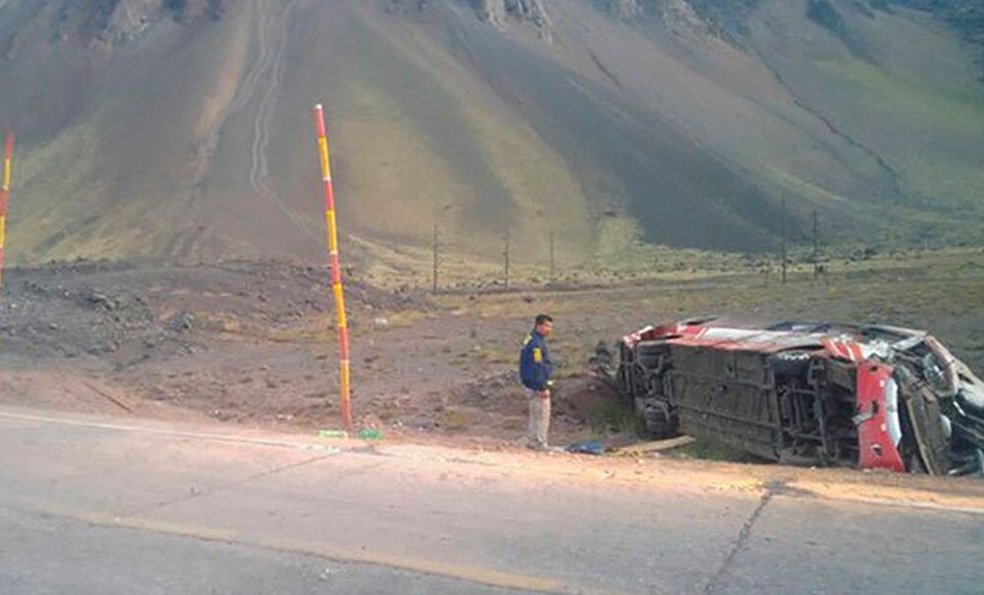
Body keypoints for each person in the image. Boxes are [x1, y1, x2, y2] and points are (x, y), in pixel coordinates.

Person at [519, 314, 554, 450]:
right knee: (541, 414)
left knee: (535, 414)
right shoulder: (536, 345)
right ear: (539, 325)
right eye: (547, 326)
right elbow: (537, 365)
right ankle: (539, 442)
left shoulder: (530, 339)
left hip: (529, 382)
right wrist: (542, 386)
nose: (549, 329)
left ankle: (532, 439)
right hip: (535, 384)